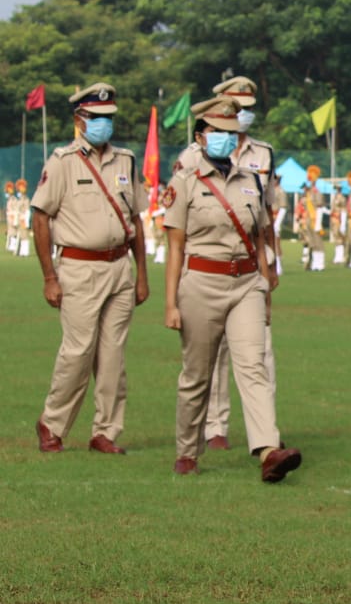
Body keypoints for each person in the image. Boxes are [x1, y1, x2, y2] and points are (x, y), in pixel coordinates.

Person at [163, 95, 301, 482]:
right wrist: (170, 303)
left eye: (231, 132)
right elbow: (174, 247)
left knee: (253, 366)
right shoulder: (184, 183)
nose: (226, 138)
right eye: (218, 132)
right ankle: (187, 450)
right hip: (201, 282)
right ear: (201, 136)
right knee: (197, 373)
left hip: (246, 283)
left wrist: (265, 289)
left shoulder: (252, 181)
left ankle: (268, 450)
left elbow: (259, 240)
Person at [31, 83, 148, 454]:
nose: (103, 124)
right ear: (79, 119)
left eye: (108, 118)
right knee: (78, 351)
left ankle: (106, 432)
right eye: (96, 118)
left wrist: (142, 274)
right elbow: (40, 219)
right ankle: (52, 423)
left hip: (119, 268)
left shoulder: (126, 160)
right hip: (79, 268)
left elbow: (137, 221)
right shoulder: (62, 162)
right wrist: (50, 276)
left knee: (113, 355)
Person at [173, 75, 279, 451]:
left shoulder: (261, 156)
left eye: (246, 109)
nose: (241, 116)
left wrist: (271, 267)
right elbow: (177, 233)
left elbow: (265, 218)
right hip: (204, 275)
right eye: (235, 106)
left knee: (256, 358)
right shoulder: (188, 161)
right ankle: (208, 431)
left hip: (249, 272)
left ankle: (267, 444)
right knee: (204, 365)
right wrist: (172, 298)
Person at [12, 178, 33, 257]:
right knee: (20, 235)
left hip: (23, 219)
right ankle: (21, 251)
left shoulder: (26, 199)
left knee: (25, 236)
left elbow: (27, 211)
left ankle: (25, 251)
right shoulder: (20, 199)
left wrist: (26, 221)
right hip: (20, 219)